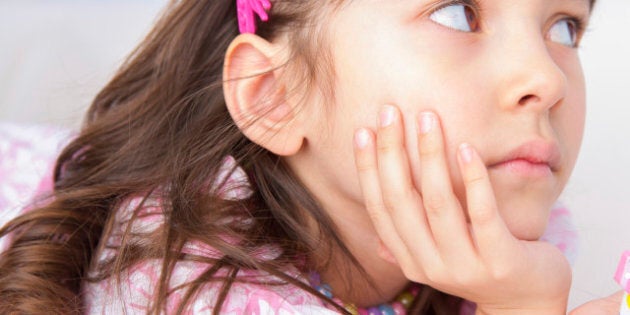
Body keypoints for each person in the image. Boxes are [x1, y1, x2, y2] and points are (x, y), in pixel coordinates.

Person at [0, 0, 621, 314]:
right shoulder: (183, 275)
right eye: (458, 13)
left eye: (564, 27)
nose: (547, 77)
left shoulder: (518, 244)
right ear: (275, 97)